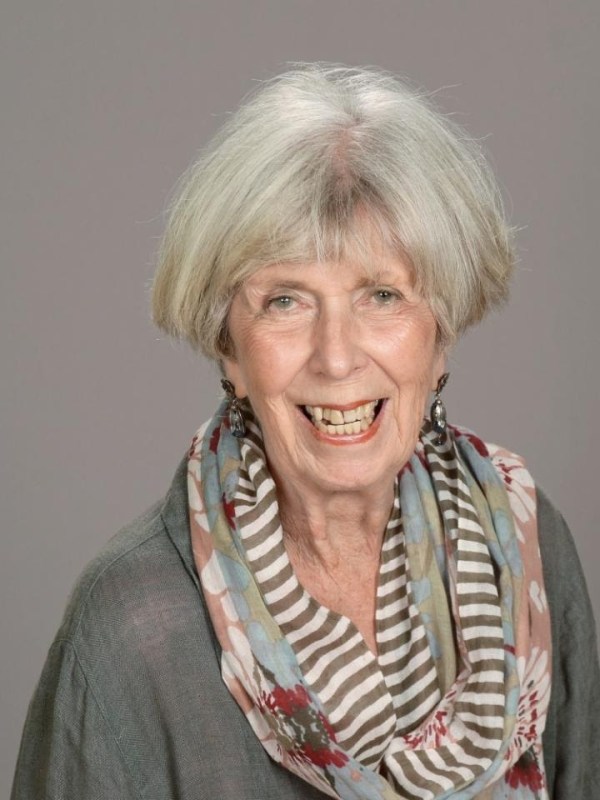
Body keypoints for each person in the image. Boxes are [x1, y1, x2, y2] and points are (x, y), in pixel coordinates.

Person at [11, 64, 600, 800]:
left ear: (440, 335)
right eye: (285, 301)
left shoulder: (524, 547)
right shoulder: (134, 630)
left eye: (381, 295)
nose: (337, 357)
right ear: (229, 348)